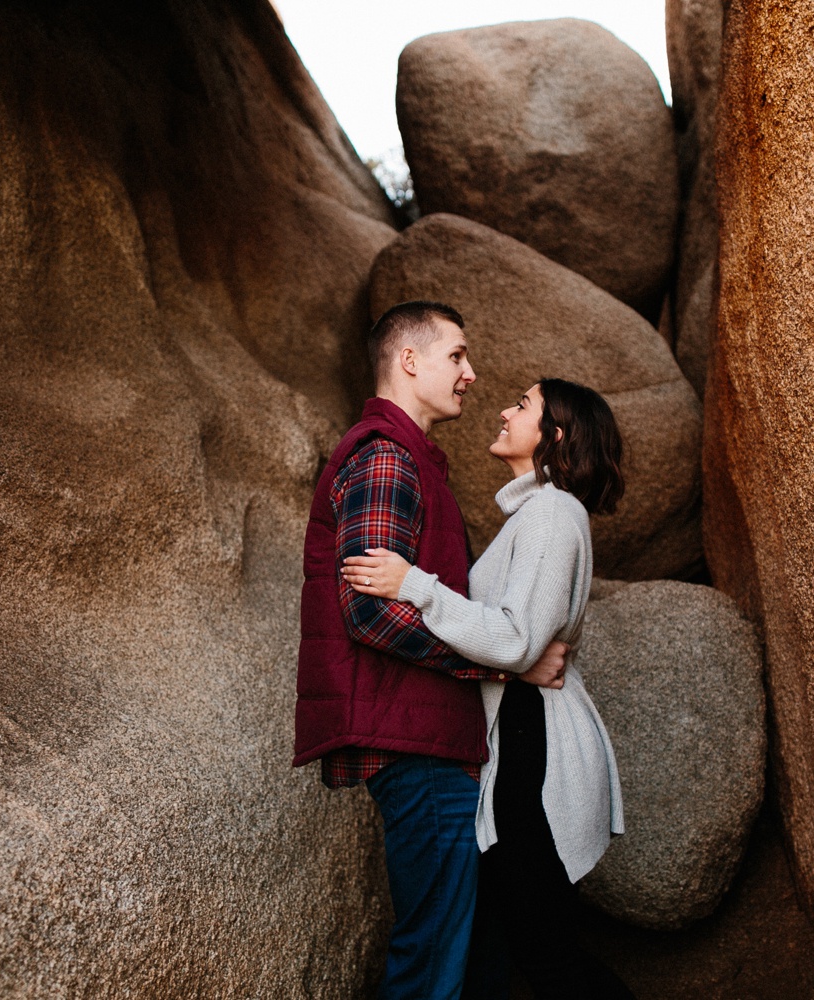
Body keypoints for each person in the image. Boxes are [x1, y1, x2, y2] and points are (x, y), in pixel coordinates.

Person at [292, 301, 568, 1000]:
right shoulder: (385, 457)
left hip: (427, 738)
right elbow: (370, 615)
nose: (471, 374)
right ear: (409, 361)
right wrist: (504, 660)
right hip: (416, 745)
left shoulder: (412, 460)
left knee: (456, 951)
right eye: (457, 356)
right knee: (431, 962)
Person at [343, 378, 635, 1000]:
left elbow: (515, 641)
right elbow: (517, 649)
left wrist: (415, 585)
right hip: (519, 743)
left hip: (536, 752)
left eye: (522, 405)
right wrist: (513, 660)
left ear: (553, 436)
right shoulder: (537, 515)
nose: (505, 410)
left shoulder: (554, 513)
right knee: (516, 950)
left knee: (547, 956)